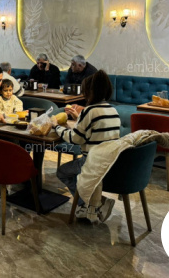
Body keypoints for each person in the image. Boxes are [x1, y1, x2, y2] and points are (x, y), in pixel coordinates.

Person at [54, 70, 121, 223]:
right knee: (72, 172)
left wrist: (56, 126)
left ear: (90, 92)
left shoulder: (90, 110)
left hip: (91, 162)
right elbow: (95, 129)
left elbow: (75, 139)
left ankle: (87, 204)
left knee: (62, 172)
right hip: (110, 161)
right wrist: (79, 118)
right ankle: (93, 203)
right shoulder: (112, 110)